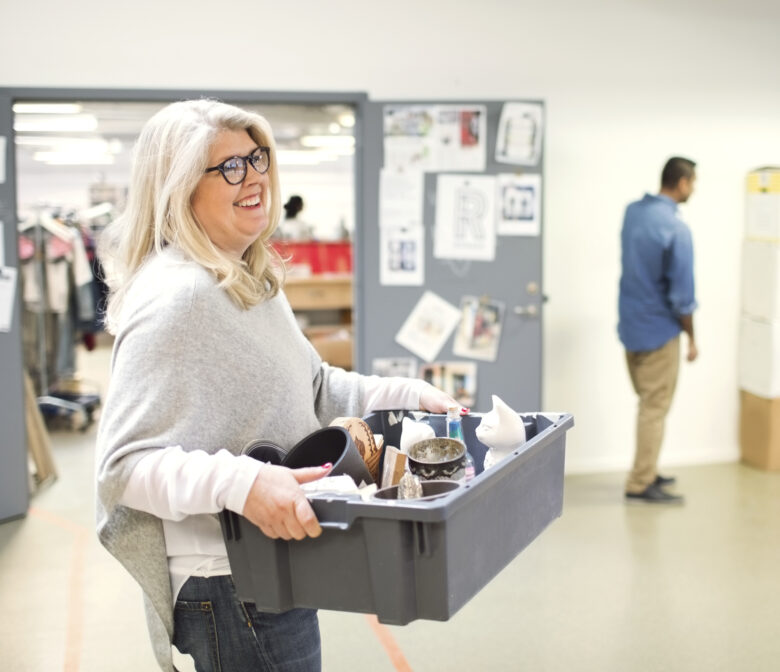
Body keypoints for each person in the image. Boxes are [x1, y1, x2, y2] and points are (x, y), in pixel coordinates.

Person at [95, 99, 458, 672]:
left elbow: (313, 388)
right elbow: (123, 466)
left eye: (257, 157)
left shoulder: (246, 280)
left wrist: (406, 396)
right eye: (230, 167)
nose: (256, 176)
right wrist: (244, 484)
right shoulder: (179, 297)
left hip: (269, 564)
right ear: (180, 188)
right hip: (230, 585)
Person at [618, 156, 698, 504]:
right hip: (659, 333)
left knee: (647, 403)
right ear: (682, 182)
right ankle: (640, 482)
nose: (693, 189)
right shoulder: (676, 228)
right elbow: (683, 296)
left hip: (631, 327)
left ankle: (647, 469)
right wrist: (692, 337)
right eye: (693, 182)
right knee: (654, 408)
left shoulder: (633, 212)